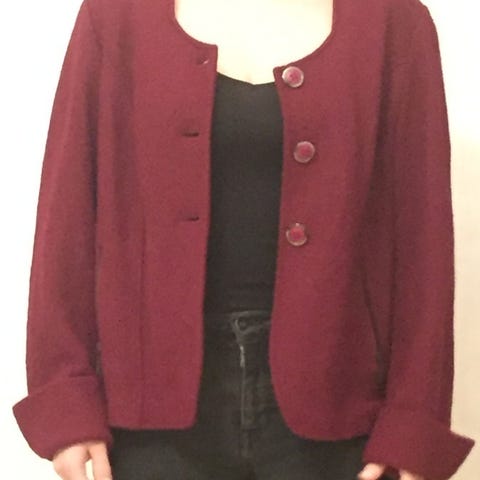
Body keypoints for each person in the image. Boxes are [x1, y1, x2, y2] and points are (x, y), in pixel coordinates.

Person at [12, 0, 475, 479]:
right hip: (150, 404)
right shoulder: (115, 17)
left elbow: (423, 240)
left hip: (338, 399)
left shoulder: (394, 24)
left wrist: (414, 421)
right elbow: (67, 217)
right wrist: (65, 396)